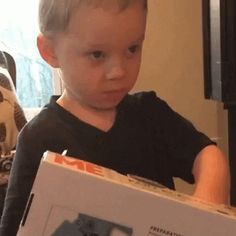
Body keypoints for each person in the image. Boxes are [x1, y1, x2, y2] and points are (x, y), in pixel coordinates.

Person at [0, 0, 230, 235]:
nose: (119, 71)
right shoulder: (38, 138)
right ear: (50, 51)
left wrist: (202, 214)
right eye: (97, 54)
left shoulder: (151, 114)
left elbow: (208, 156)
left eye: (132, 49)